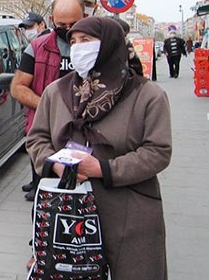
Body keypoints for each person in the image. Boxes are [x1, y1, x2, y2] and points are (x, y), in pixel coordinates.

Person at [26, 16, 171, 279]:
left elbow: (158, 151)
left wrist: (103, 168)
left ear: (108, 44)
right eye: (73, 41)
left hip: (130, 210)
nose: (78, 47)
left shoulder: (147, 95)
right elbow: (37, 139)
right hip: (68, 210)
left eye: (87, 40)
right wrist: (54, 163)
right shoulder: (56, 91)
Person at [11, 0, 85, 201]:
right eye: (62, 24)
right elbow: (18, 88)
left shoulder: (96, 47)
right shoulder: (37, 47)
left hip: (86, 134)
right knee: (47, 196)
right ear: (52, 20)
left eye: (74, 23)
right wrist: (48, 106)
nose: (68, 29)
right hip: (48, 132)